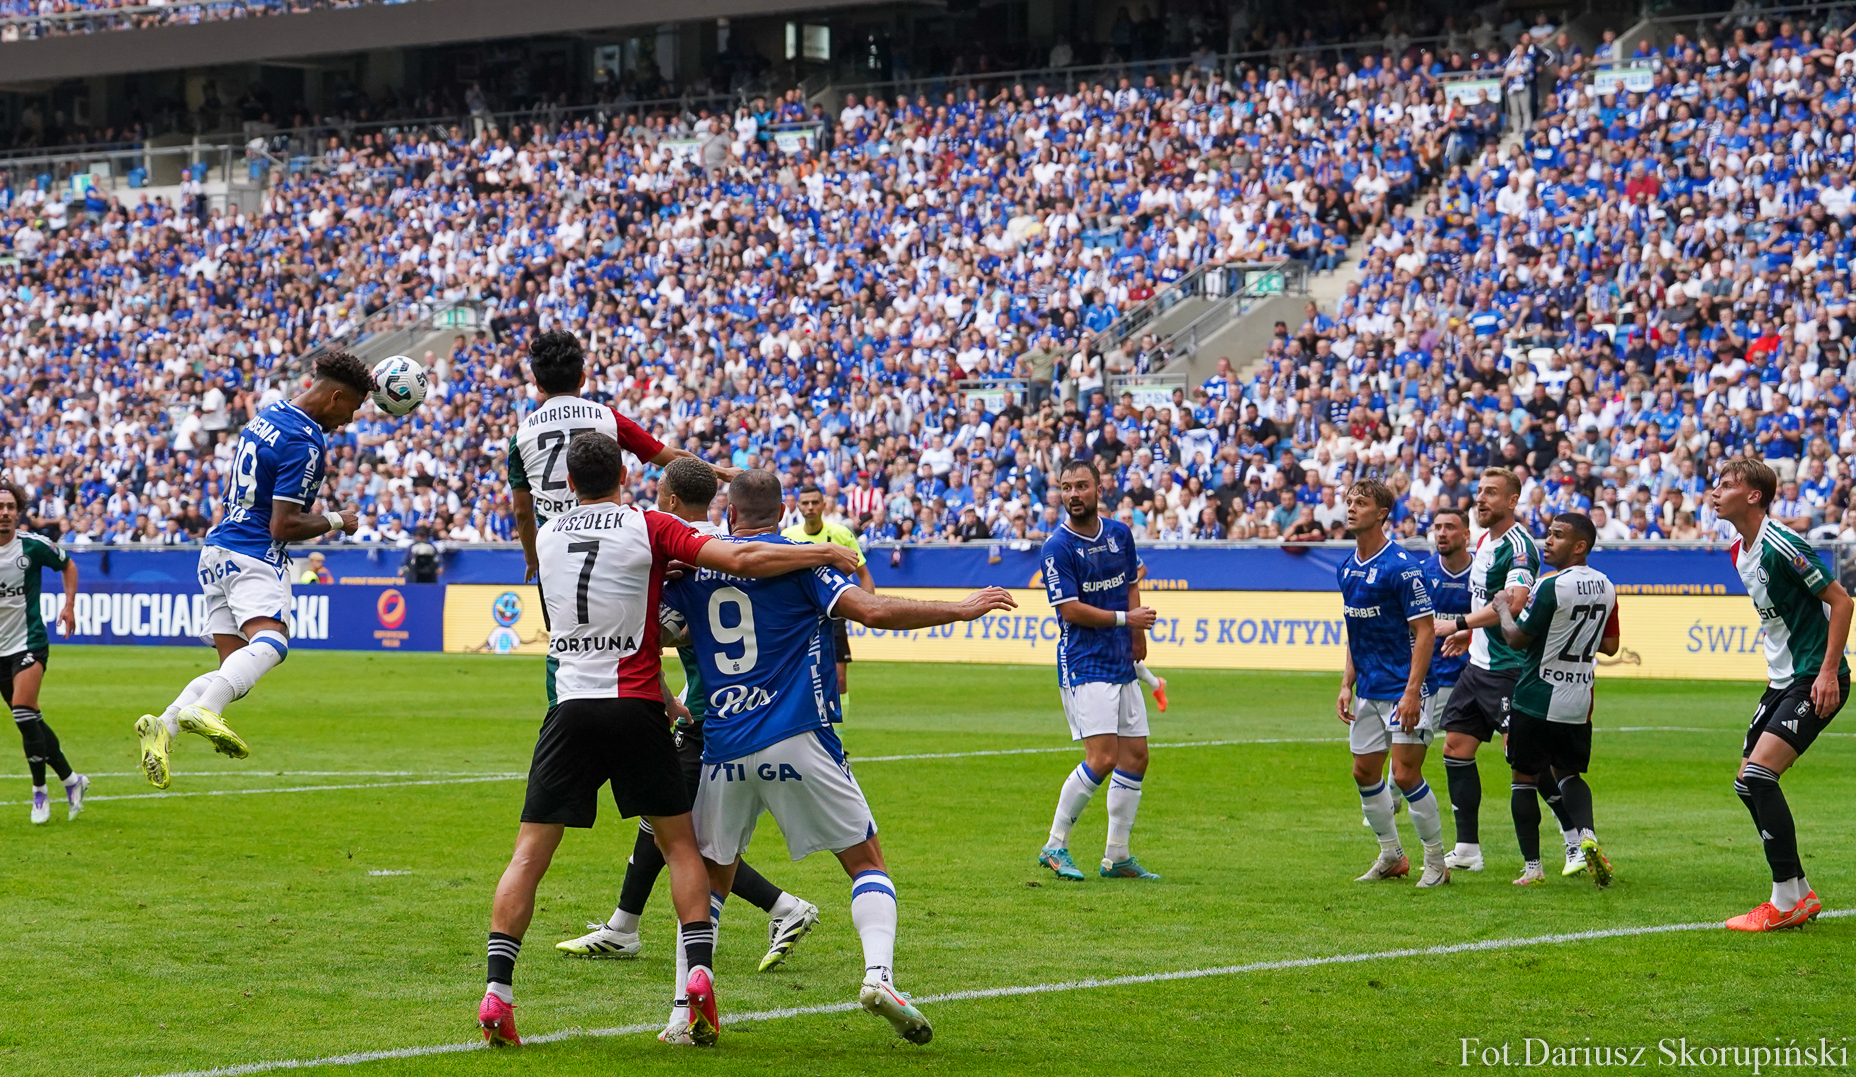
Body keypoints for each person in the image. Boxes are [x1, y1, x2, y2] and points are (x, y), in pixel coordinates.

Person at [478, 437, 860, 1049]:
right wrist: (819, 552)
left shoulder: (547, 535)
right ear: (625, 475)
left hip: (570, 703)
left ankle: (498, 991)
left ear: (569, 483)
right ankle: (700, 977)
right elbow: (739, 562)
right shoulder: (648, 524)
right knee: (682, 846)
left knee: (528, 855)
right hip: (636, 705)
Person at [662, 468, 1015, 1045]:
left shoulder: (701, 565)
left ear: (730, 514)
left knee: (711, 877)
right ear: (780, 513)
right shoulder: (803, 560)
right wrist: (962, 607)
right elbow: (872, 612)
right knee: (865, 860)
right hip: (798, 733)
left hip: (723, 745)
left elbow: (661, 632)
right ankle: (879, 977)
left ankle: (682, 1010)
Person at [559, 459, 820, 973]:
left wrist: (661, 692)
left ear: (671, 500)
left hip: (709, 712)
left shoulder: (674, 544)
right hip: (745, 705)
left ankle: (783, 907)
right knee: (665, 820)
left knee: (685, 834)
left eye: (659, 492)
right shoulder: (729, 546)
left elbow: (651, 629)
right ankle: (623, 926)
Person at [134, 352, 373, 790]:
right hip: (255, 555)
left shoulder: (270, 413)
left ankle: (163, 728)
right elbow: (284, 525)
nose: (349, 420)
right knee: (272, 644)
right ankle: (205, 712)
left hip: (217, 550)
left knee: (232, 669)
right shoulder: (306, 442)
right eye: (352, 408)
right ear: (336, 396)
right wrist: (338, 520)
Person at [1710, 459, 1851, 931]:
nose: (1715, 491)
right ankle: (1799, 893)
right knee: (1745, 783)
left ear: (1753, 496)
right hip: (1781, 680)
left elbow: (1841, 601)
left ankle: (1785, 899)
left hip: (1813, 677)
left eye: (1726, 485)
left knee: (1760, 775)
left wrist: (1828, 672)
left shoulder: (1781, 543)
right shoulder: (1739, 550)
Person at [1432, 467, 1579, 874]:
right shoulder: (1484, 540)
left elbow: (1513, 603)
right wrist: (1470, 636)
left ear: (1512, 502)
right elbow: (1488, 602)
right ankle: (1467, 849)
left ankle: (1575, 840)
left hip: (1510, 670)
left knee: (1527, 761)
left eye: (1491, 493)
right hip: (1478, 666)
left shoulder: (1518, 547)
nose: (1481, 499)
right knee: (1455, 749)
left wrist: (1458, 624)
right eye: (1479, 491)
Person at [509, 330, 735, 585]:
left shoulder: (523, 433)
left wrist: (532, 558)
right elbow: (670, 456)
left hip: (555, 548)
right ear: (583, 378)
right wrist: (722, 472)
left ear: (538, 385)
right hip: (609, 542)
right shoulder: (605, 417)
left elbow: (522, 511)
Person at [1035, 459, 1162, 883]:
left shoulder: (1120, 534)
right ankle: (1055, 844)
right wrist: (1129, 622)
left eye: (1081, 486)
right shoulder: (1057, 547)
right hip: (1085, 662)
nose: (1073, 494)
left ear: (1098, 488)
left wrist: (1136, 638)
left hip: (1119, 659)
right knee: (1103, 757)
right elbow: (1069, 609)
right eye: (1066, 487)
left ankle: (1117, 856)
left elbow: (1129, 584)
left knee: (1136, 757)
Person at [1486, 512, 1620, 887]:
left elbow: (1516, 637)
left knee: (1523, 779)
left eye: (1557, 536)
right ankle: (1586, 836)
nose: (1548, 541)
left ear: (1580, 546)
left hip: (1536, 696)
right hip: (1578, 699)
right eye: (1548, 534)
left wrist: (1500, 607)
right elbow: (1610, 645)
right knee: (1569, 774)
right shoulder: (1607, 586)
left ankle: (1533, 868)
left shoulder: (1550, 586)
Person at [1336, 480, 1445, 887]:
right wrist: (1347, 681)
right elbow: (1354, 627)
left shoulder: (1402, 566)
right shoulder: (1346, 566)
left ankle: (1435, 861)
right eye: (1349, 502)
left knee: (1404, 774)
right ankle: (1391, 854)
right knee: (1364, 772)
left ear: (1381, 514)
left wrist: (1413, 691)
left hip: (1404, 688)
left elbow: (1426, 631)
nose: (1351, 509)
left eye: (1360, 503)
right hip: (1368, 687)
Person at [0, 481, 85, 823]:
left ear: (17, 512)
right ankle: (72, 780)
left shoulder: (32, 546)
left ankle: (40, 794)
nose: (3, 513)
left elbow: (68, 564)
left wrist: (69, 606)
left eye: (9, 507)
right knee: (30, 718)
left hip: (30, 641)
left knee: (22, 711)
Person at [780, 484, 874, 713]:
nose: (810, 507)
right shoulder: (787, 536)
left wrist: (868, 607)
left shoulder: (841, 534)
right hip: (798, 617)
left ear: (824, 505)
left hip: (833, 614)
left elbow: (865, 577)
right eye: (805, 503)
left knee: (839, 680)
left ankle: (840, 745)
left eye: (814, 502)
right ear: (798, 507)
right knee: (798, 680)